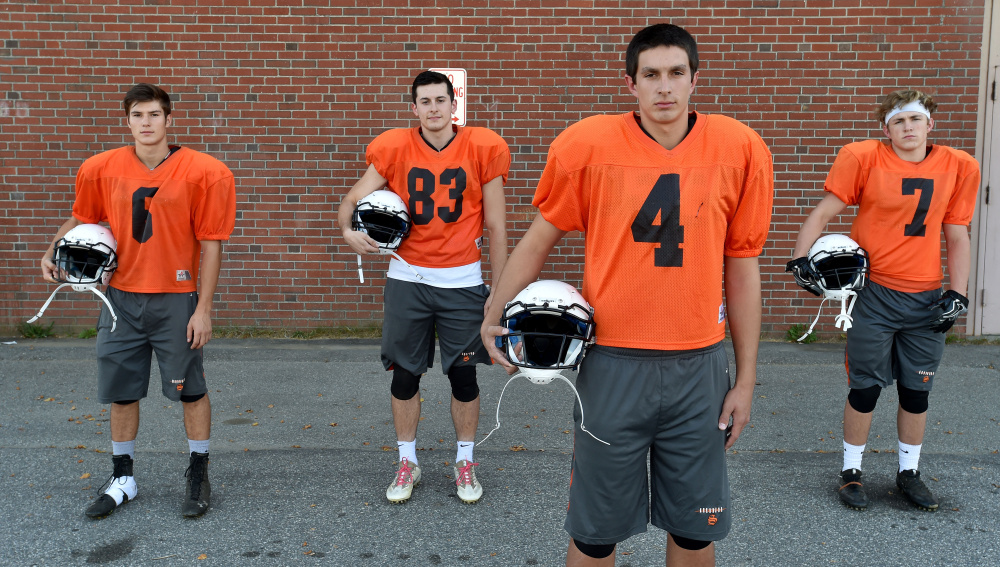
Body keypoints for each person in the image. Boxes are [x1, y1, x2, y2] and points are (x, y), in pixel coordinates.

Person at [482, 24, 773, 567]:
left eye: (676, 73)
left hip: (699, 364)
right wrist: (493, 311)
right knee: (595, 533)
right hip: (613, 362)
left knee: (694, 530)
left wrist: (747, 379)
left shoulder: (739, 147)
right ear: (631, 84)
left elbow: (743, 265)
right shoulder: (589, 144)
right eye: (651, 75)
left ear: (694, 80)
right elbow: (538, 239)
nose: (665, 87)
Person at [39, 83, 237, 519]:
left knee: (190, 390)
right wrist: (52, 247)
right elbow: (83, 217)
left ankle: (198, 472)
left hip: (176, 297)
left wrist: (203, 309)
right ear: (126, 120)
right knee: (122, 392)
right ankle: (123, 477)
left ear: (169, 119)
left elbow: (212, 244)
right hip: (120, 298)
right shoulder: (100, 168)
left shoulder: (205, 171)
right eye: (137, 115)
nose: (146, 123)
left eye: (153, 115)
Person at [787, 89, 980, 512]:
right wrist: (800, 257)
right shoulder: (865, 157)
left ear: (930, 124)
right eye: (898, 121)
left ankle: (908, 472)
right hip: (873, 293)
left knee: (917, 393)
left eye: (915, 119)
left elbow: (957, 235)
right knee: (866, 388)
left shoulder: (958, 166)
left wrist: (958, 293)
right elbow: (822, 213)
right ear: (885, 129)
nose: (907, 128)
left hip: (926, 296)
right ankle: (851, 471)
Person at [338, 70, 510, 504]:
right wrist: (347, 230)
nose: (433, 109)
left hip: (463, 280)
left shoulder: (482, 147)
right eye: (425, 102)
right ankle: (407, 460)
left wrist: (501, 290)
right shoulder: (395, 148)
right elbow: (350, 202)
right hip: (407, 278)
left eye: (440, 100)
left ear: (455, 104)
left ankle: (465, 460)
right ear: (413, 108)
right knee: (405, 375)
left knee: (463, 375)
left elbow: (496, 224)